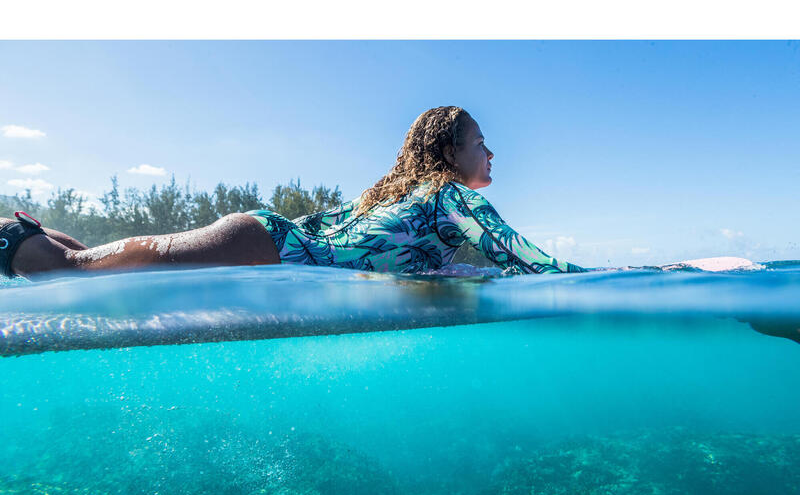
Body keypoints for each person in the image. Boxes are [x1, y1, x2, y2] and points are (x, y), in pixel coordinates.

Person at [1, 107, 586, 279]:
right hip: (264, 245)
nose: (491, 154)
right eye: (481, 142)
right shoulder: (453, 198)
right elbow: (529, 261)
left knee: (86, 268)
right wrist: (655, 269)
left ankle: (31, 231)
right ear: (451, 154)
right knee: (75, 271)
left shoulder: (419, 202)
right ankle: (11, 237)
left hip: (266, 244)